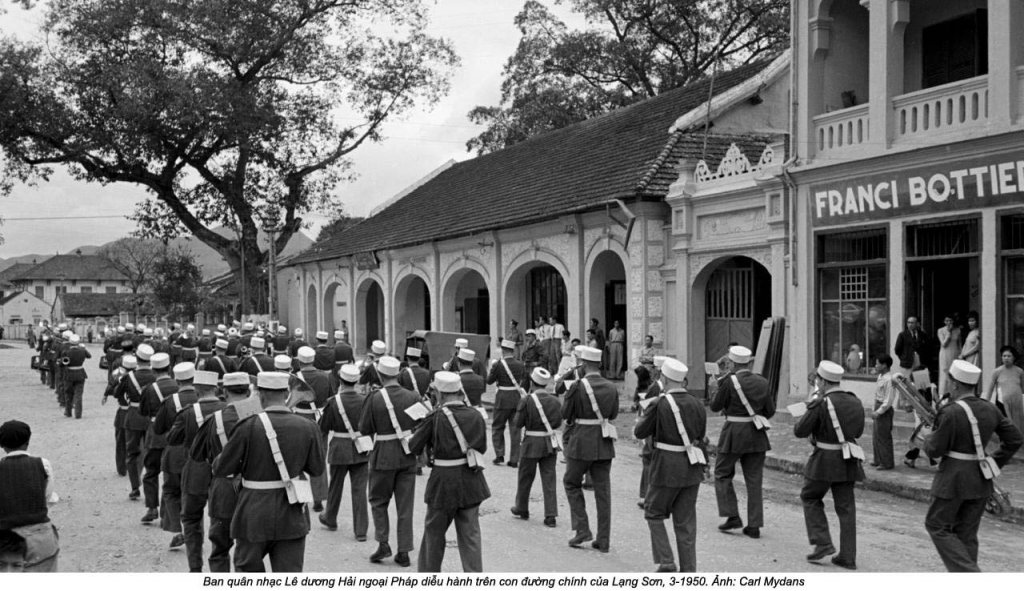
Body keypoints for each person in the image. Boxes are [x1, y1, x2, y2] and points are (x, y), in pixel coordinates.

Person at [212, 371, 326, 572]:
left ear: (261, 395)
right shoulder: (308, 426)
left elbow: (222, 468)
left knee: (247, 572)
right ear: (286, 393)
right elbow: (316, 469)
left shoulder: (248, 425)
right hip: (292, 513)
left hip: (253, 512)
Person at [924, 359, 1022, 572]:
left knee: (936, 525)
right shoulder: (989, 408)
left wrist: (927, 438)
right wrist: (993, 462)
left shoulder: (950, 411)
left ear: (955, 384)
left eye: (950, 381)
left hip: (952, 480)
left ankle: (971, 575)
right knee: (966, 534)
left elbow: (934, 450)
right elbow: (1015, 439)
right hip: (980, 479)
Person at [409, 371, 490, 572]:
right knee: (470, 537)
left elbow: (413, 446)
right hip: (471, 480)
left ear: (440, 394)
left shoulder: (435, 417)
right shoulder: (476, 415)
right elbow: (481, 447)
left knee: (433, 535)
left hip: (443, 483)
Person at [634, 359, 705, 572]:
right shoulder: (697, 403)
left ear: (663, 378)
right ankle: (689, 570)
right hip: (692, 467)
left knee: (653, 512)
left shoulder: (659, 403)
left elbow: (640, 432)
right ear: (683, 380)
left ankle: (666, 560)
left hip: (666, 466)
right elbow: (700, 436)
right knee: (685, 523)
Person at [795, 360, 865, 570]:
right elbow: (858, 432)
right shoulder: (855, 401)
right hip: (847, 460)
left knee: (810, 496)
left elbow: (800, 431)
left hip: (824, 461)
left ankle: (823, 542)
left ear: (823, 382)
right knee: (846, 508)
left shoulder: (820, 403)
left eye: (818, 380)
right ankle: (848, 556)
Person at [358, 356, 421, 567]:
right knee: (405, 506)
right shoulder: (412, 396)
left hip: (383, 454)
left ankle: (383, 543)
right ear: (397, 374)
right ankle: (404, 551)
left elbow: (365, 428)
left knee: (378, 501)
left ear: (380, 375)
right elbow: (422, 424)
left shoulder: (374, 398)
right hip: (407, 454)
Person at [190, 371, 252, 572]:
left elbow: (197, 454)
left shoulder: (213, 420)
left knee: (220, 549)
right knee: (249, 550)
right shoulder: (260, 417)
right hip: (255, 490)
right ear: (249, 390)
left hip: (224, 490)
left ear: (224, 392)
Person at [710, 345, 773, 539]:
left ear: (731, 362)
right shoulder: (762, 382)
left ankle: (732, 515)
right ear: (749, 362)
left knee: (721, 473)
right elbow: (769, 411)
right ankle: (754, 525)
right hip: (756, 434)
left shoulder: (728, 382)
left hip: (734, 433)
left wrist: (715, 388)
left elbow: (715, 406)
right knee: (754, 480)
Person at [168, 370, 225, 571]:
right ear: (216, 389)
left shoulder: (188, 413)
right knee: (221, 520)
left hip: (195, 471)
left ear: (197, 390)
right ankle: (220, 567)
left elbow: (172, 439)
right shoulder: (228, 409)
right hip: (223, 471)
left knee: (191, 519)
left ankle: (195, 567)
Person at [562, 345, 617, 553]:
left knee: (571, 482)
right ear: (600, 364)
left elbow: (565, 414)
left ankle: (582, 528)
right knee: (603, 492)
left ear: (584, 365)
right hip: (603, 443)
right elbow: (612, 415)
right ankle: (604, 540)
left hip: (581, 441)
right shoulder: (611, 387)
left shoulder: (577, 386)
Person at [0, 420, 60, 573]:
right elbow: (46, 497)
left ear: (2, 446)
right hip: (41, 537)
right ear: (27, 442)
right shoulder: (42, 464)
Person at [318, 364, 369, 540]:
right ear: (357, 381)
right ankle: (361, 530)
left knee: (335, 486)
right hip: (361, 448)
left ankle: (330, 518)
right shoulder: (365, 400)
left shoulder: (333, 402)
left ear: (341, 380)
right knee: (360, 490)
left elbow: (324, 427)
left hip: (339, 447)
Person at [154, 362, 201, 549]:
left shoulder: (170, 401)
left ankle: (178, 529)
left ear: (177, 380)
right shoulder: (202, 398)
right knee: (193, 494)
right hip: (198, 452)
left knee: (171, 491)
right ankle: (193, 531)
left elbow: (158, 428)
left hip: (174, 452)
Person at [511, 368, 562, 527]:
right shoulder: (555, 401)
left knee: (525, 477)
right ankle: (550, 515)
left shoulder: (526, 400)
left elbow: (518, 423)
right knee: (549, 479)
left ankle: (522, 507)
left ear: (532, 383)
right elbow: (558, 422)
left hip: (531, 443)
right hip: (548, 443)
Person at [486, 339, 526, 467]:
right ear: (513, 351)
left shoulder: (498, 364)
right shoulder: (520, 364)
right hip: (516, 397)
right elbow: (524, 380)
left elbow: (489, 381)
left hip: (502, 398)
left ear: (503, 350)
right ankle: (514, 459)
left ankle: (499, 454)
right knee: (515, 429)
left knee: (498, 427)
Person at [986, 346, 1024, 433]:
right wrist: (986, 402)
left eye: (1009, 356)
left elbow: (1022, 387)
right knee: (1004, 424)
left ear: (1014, 357)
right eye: (1004, 356)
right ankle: (1004, 443)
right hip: (1002, 402)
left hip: (1016, 403)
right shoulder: (997, 371)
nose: (1006, 358)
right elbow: (990, 388)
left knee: (1017, 424)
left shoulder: (1020, 371)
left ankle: (1018, 441)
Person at [869, 354, 897, 471]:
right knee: (876, 436)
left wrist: (879, 411)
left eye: (878, 364)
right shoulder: (880, 376)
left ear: (884, 365)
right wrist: (873, 408)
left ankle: (887, 462)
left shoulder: (889, 380)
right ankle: (878, 459)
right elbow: (877, 394)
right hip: (878, 406)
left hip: (884, 410)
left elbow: (889, 400)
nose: (876, 366)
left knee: (883, 437)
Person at [62, 333, 92, 419]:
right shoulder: (82, 350)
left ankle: (68, 412)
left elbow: (62, 363)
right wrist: (84, 348)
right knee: (78, 395)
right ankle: (78, 414)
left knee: (68, 393)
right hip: (80, 373)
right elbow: (89, 356)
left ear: (70, 342)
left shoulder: (66, 351)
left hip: (69, 374)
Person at [937, 315, 962, 397]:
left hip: (955, 353)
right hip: (945, 354)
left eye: (950, 321)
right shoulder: (941, 330)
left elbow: (959, 344)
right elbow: (944, 344)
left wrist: (961, 355)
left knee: (954, 373)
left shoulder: (958, 330)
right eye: (947, 321)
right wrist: (949, 333)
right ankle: (943, 394)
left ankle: (954, 393)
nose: (949, 323)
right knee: (945, 373)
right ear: (944, 322)